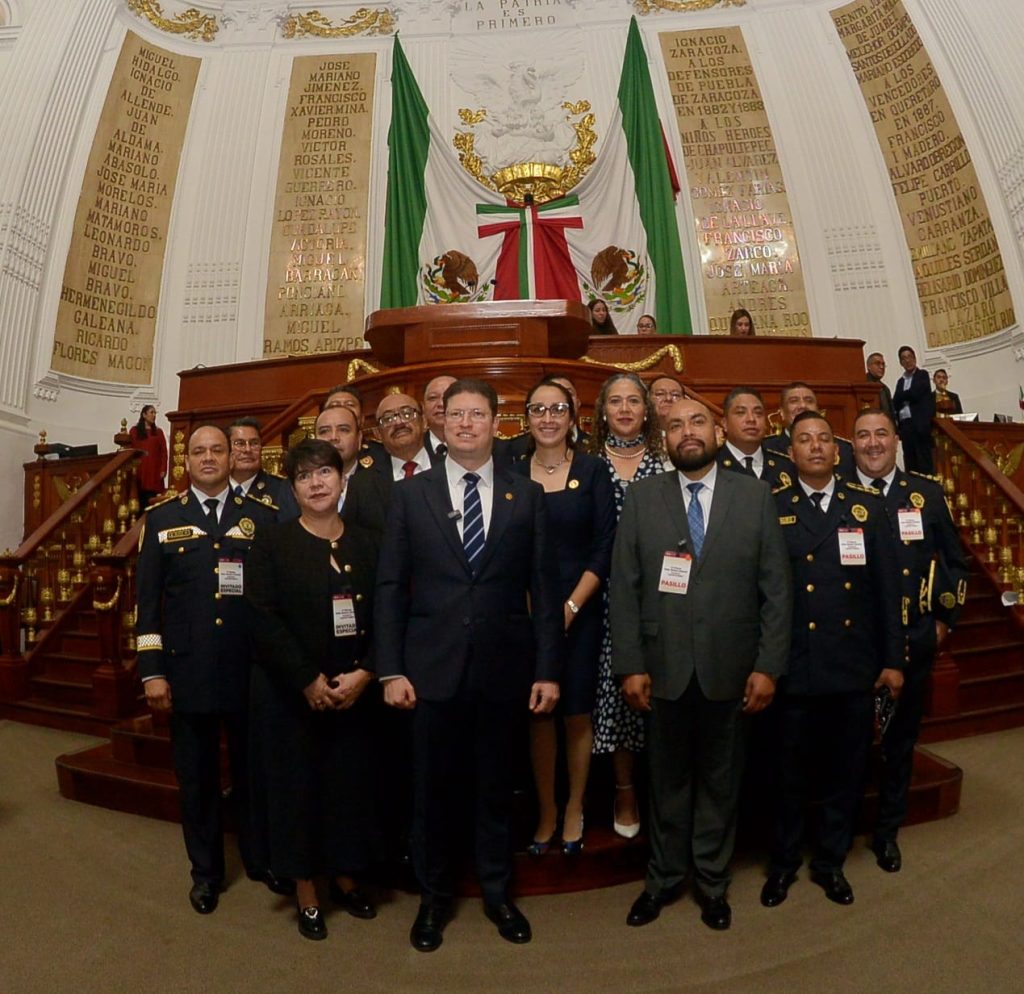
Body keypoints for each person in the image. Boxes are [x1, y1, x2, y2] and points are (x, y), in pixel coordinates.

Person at [375, 377, 562, 952]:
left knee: (495, 789)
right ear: (441, 422)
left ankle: (498, 894)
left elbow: (544, 589)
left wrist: (548, 670)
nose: (464, 424)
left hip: (504, 670)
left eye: (476, 415)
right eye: (454, 414)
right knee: (432, 792)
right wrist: (390, 669)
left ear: (495, 423)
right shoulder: (412, 495)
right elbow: (389, 585)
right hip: (429, 671)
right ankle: (433, 901)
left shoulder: (525, 494)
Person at [612, 397, 792, 931]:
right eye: (674, 425)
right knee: (665, 782)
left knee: (720, 782)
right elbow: (624, 587)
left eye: (696, 423)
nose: (686, 432)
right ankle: (664, 878)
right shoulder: (642, 498)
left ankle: (713, 882)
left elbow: (776, 590)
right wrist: (629, 664)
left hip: (733, 669)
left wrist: (769, 666)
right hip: (660, 668)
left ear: (717, 431)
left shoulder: (755, 496)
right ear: (663, 439)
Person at [135, 424, 284, 915]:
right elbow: (147, 609)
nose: (208, 458)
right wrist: (152, 671)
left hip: (251, 672)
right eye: (198, 451)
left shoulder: (262, 516)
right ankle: (205, 873)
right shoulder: (161, 519)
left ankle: (261, 858)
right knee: (197, 781)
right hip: (187, 674)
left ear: (232, 457)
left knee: (255, 773)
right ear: (187, 460)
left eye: (217, 449)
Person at [761, 411, 903, 909]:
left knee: (845, 774)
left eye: (824, 439)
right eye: (805, 440)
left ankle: (830, 863)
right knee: (787, 775)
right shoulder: (773, 505)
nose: (817, 447)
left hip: (851, 667)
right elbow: (763, 594)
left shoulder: (863, 507)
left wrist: (893, 659)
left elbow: (889, 589)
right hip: (794, 667)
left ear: (836, 452)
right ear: (791, 452)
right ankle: (782, 865)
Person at [245, 438, 380, 940]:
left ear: (342, 478)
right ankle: (306, 889)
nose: (317, 483)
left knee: (349, 788)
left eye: (325, 472)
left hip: (355, 692)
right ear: (293, 487)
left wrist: (367, 672)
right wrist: (307, 680)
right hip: (291, 695)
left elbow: (386, 612)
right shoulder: (272, 543)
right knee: (298, 791)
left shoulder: (369, 541)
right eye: (304, 476)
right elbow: (262, 618)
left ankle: (347, 875)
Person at [852, 409, 968, 872]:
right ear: (852, 444)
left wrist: (943, 620)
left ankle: (887, 832)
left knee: (900, 742)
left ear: (897, 439)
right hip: (855, 644)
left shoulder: (925, 493)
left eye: (882, 433)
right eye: (863, 435)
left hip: (913, 639)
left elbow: (956, 563)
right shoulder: (840, 493)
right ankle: (843, 827)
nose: (874, 443)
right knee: (849, 742)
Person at [511, 379, 616, 858]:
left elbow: (603, 547)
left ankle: (575, 806)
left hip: (581, 609)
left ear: (573, 417)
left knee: (575, 711)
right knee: (537, 713)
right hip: (526, 614)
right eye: (538, 410)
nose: (548, 418)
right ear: (527, 419)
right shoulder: (510, 472)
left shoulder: (593, 471)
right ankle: (546, 809)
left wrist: (571, 607)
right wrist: (534, 611)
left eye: (558, 409)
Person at [588, 372, 664, 838]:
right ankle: (624, 790)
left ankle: (663, 789)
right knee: (617, 699)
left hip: (663, 594)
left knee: (662, 691)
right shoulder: (588, 465)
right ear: (602, 412)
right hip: (604, 597)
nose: (624, 409)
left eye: (633, 401)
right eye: (614, 401)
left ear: (646, 409)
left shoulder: (667, 462)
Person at [764, 381, 856, 479]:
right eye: (794, 401)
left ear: (818, 411)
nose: (803, 405)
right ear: (781, 412)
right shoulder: (766, 448)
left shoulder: (845, 450)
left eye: (809, 401)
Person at [717, 386, 794, 488]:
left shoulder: (787, 465)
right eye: (741, 413)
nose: (751, 419)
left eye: (758, 413)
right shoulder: (711, 464)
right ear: (725, 424)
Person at [226, 417, 299, 519]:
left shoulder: (282, 488)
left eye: (254, 443)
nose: (248, 450)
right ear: (227, 449)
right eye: (240, 443)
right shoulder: (216, 489)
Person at [323, 384, 388, 468]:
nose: (342, 408)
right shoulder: (311, 457)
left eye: (350, 404)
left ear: (362, 419)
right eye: (334, 405)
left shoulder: (382, 454)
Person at [892, 345, 935, 473]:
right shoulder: (900, 381)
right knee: (910, 462)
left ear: (915, 359)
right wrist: (906, 395)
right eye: (904, 358)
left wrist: (903, 396)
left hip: (920, 425)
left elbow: (916, 394)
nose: (907, 360)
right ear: (900, 362)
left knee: (924, 462)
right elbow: (895, 402)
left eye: (910, 357)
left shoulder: (922, 375)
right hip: (905, 427)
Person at [314, 404, 363, 510]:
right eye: (324, 431)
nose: (333, 437)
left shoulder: (380, 483)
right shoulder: (295, 486)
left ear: (359, 439)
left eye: (343, 429)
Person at [129, 404, 168, 507]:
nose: (154, 415)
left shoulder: (158, 432)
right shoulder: (134, 431)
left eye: (155, 413)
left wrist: (163, 469)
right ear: (144, 415)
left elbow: (164, 452)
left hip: (154, 471)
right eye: (152, 412)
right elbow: (131, 449)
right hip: (140, 470)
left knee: (152, 498)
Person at [422, 374, 456, 460]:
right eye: (433, 398)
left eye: (448, 397)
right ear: (423, 407)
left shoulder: (486, 446)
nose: (441, 404)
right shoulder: (412, 447)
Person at [865, 353, 895, 421]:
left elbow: (890, 414)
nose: (881, 367)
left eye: (883, 364)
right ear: (868, 366)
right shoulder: (863, 385)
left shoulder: (885, 388)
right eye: (877, 364)